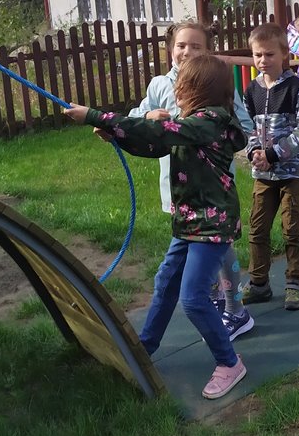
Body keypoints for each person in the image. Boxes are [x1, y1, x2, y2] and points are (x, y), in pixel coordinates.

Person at [65, 54, 249, 400]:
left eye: (183, 85)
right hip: (190, 221)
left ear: (200, 90)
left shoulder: (211, 122)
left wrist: (94, 115)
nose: (177, 91)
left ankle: (230, 363)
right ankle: (145, 347)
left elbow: (159, 131)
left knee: (193, 298)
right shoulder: (191, 123)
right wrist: (115, 135)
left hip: (212, 225)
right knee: (166, 282)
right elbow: (154, 144)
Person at [127, 20, 255, 341]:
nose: (187, 51)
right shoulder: (160, 85)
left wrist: (218, 132)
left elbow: (243, 125)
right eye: (181, 45)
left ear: (208, 50)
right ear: (170, 48)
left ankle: (236, 308)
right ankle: (212, 298)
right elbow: (134, 120)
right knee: (194, 252)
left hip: (213, 187)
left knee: (220, 248)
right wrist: (148, 117)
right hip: (178, 187)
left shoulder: (216, 83)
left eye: (196, 46)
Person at [242, 23, 299, 311]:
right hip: (263, 173)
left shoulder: (296, 87)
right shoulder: (252, 90)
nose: (263, 60)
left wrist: (273, 153)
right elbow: (247, 127)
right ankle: (259, 283)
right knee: (257, 228)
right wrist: (254, 152)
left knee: (292, 228)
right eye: (257, 55)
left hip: (294, 172)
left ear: (285, 53)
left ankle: (294, 283)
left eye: (269, 54)